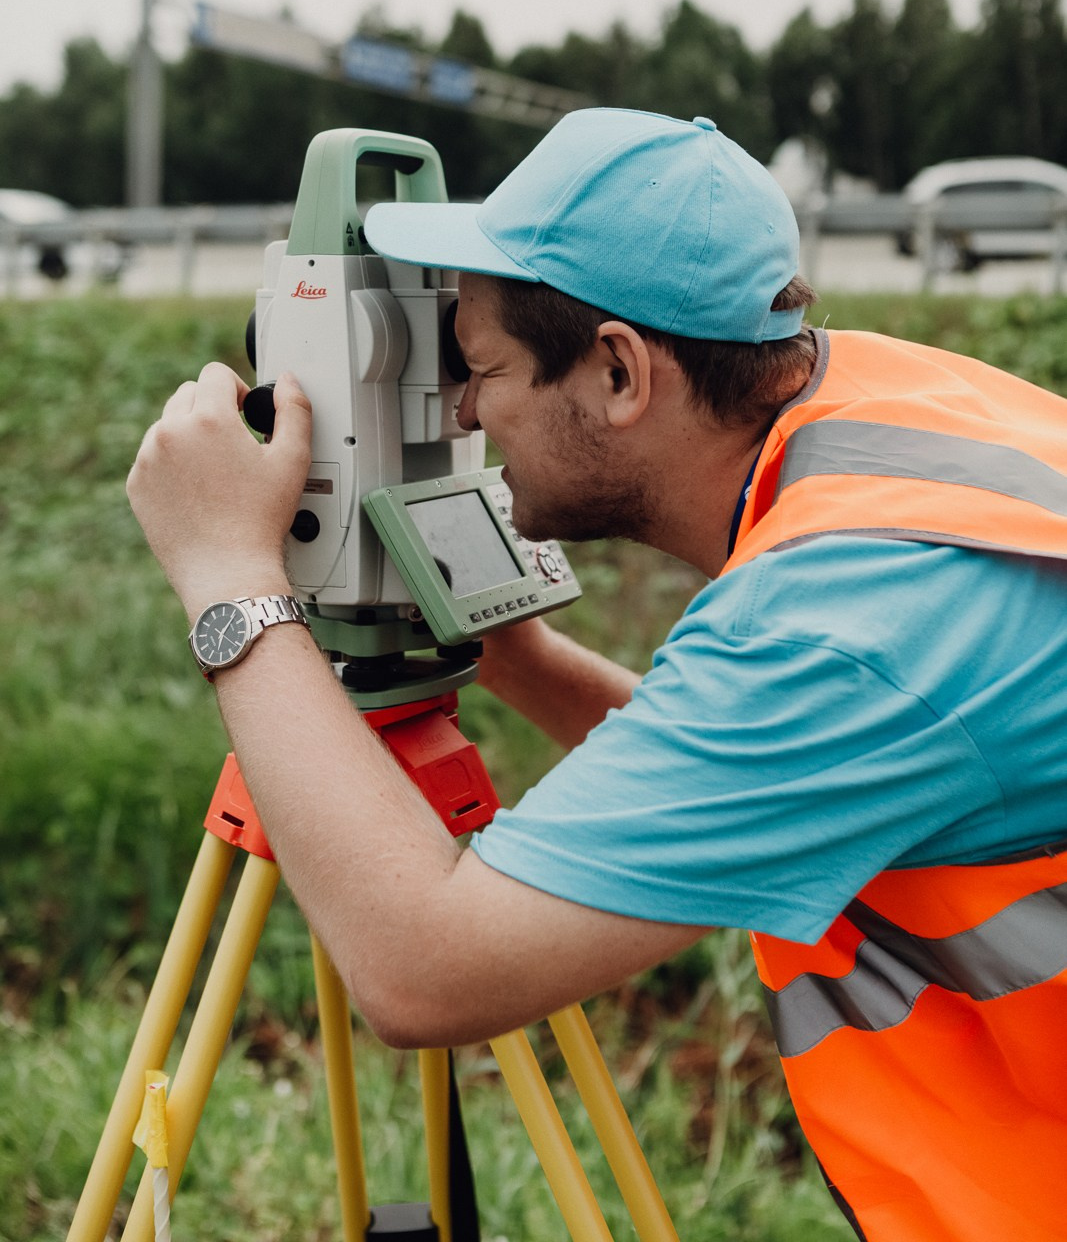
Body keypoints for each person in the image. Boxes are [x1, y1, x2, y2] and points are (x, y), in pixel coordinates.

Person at [128, 108, 1067, 1242]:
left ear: (619, 370)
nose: (462, 409)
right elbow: (766, 766)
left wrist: (229, 578)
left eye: (482, 368)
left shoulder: (836, 629)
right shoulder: (882, 402)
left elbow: (426, 971)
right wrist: (507, 652)